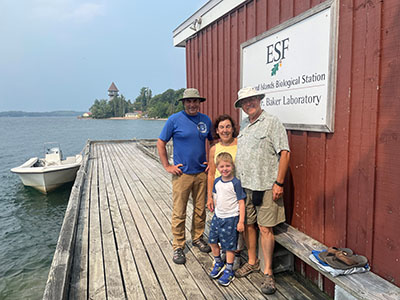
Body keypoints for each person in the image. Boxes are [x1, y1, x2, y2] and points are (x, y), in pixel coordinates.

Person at [234, 87, 290, 295]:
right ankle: (252, 261)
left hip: (267, 186)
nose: (249, 104)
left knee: (266, 228)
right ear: (241, 106)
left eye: (252, 99)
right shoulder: (245, 125)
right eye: (244, 102)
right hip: (246, 185)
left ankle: (268, 272)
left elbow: (284, 153)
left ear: (259, 99)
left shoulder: (272, 122)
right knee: (249, 224)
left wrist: (279, 183)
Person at [157, 88, 213, 265]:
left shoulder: (205, 120)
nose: (192, 105)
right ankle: (178, 245)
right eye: (188, 101)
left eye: (195, 101)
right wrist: (167, 165)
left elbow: (212, 141)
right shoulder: (174, 120)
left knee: (200, 209)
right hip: (182, 175)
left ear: (199, 103)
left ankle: (197, 238)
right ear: (184, 103)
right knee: (179, 211)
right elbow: (161, 142)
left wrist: (211, 161)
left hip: (201, 173)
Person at [207, 114, 243, 270]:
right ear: (217, 130)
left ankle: (236, 255)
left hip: (235, 190)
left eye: (228, 126)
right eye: (221, 127)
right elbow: (210, 173)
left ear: (233, 128)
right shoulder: (214, 148)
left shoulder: (240, 144)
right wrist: (209, 196)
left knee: (235, 225)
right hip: (219, 192)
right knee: (220, 225)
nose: (225, 130)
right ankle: (222, 255)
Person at [208, 152, 245, 286]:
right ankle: (218, 262)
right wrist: (215, 209)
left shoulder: (236, 183)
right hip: (218, 217)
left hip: (231, 218)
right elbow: (216, 196)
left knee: (229, 246)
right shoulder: (217, 182)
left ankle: (229, 269)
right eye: (222, 166)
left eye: (227, 166)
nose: (225, 169)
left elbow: (241, 203)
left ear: (232, 166)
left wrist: (241, 221)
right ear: (217, 168)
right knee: (212, 241)